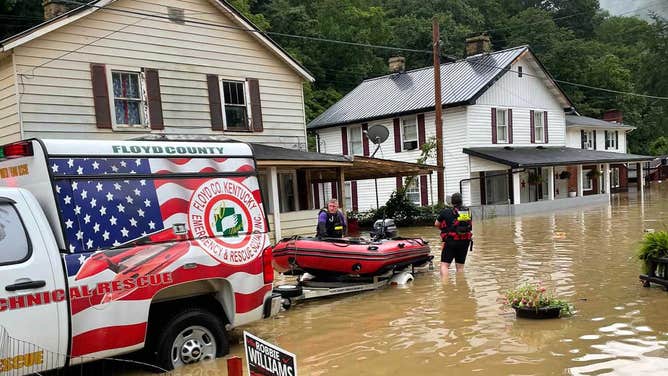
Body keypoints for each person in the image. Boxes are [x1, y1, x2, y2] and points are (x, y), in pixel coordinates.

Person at [434, 192, 472, 276]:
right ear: (461, 201)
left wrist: (443, 229)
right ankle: (461, 286)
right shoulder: (467, 212)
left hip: (451, 241)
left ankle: (445, 286)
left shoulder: (445, 212)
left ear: (451, 202)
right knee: (460, 267)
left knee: (444, 266)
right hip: (465, 241)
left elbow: (436, 224)